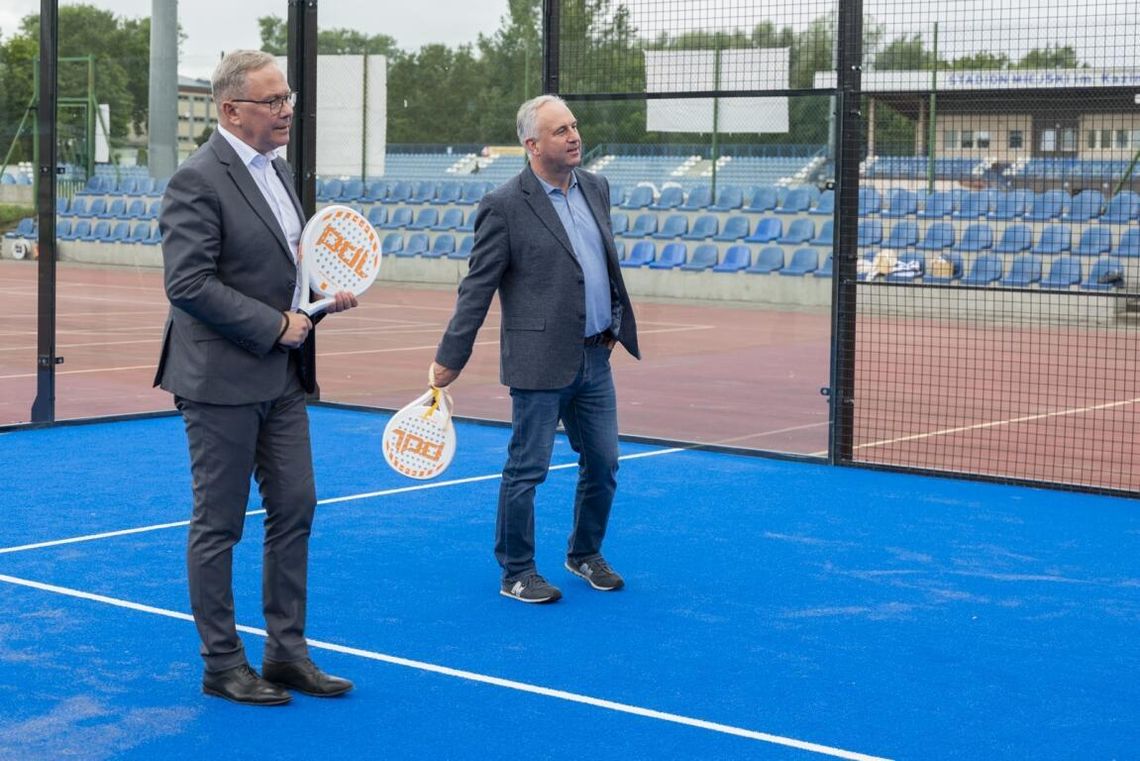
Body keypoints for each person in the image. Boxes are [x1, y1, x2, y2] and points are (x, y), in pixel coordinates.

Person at [154, 50, 355, 705]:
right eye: (272, 101)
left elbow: (288, 269)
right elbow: (188, 283)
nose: (286, 109)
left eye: (288, 98)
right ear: (231, 109)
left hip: (282, 379)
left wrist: (326, 291)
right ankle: (222, 662)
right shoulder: (197, 179)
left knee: (296, 505)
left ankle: (286, 652)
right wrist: (274, 325)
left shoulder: (278, 171)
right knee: (219, 525)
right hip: (219, 381)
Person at [430, 94, 640, 604]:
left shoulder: (596, 186)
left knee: (605, 463)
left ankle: (584, 554)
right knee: (527, 470)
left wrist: (612, 319)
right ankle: (517, 571)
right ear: (531, 144)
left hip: (595, 356)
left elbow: (600, 263)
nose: (574, 136)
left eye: (574, 126)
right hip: (538, 362)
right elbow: (476, 288)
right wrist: (449, 358)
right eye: (560, 130)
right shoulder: (503, 205)